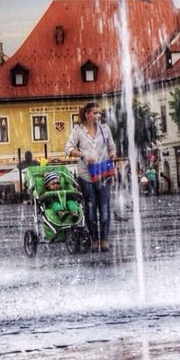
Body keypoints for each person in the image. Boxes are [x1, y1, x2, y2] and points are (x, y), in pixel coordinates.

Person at [65, 101, 117, 252]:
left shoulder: (105, 129)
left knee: (105, 207)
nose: (98, 115)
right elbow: (68, 148)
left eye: (99, 113)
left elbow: (112, 147)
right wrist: (83, 155)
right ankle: (94, 239)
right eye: (95, 113)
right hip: (86, 175)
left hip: (103, 172)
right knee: (90, 207)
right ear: (87, 115)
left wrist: (112, 154)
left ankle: (105, 239)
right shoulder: (78, 131)